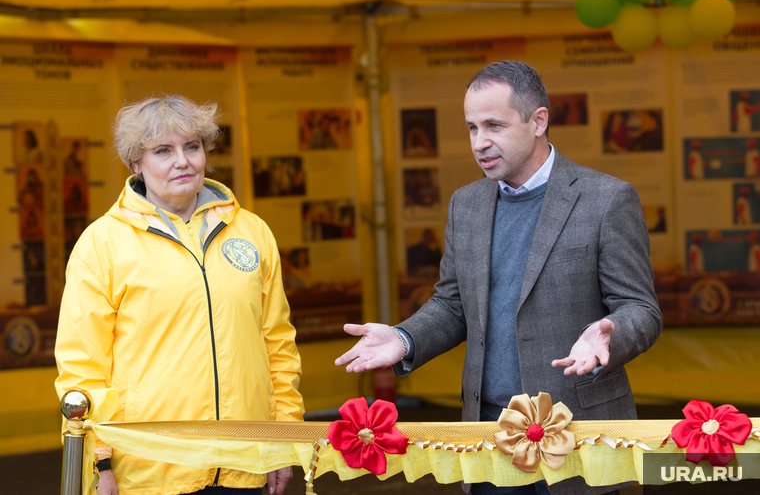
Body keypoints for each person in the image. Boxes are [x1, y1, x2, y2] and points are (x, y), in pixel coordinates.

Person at [336, 61, 662, 495]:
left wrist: (610, 336)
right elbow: (453, 304)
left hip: (581, 434)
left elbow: (641, 309)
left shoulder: (607, 199)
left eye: (493, 125)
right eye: (471, 128)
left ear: (538, 121)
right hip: (489, 434)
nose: (479, 142)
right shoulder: (464, 205)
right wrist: (406, 338)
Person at [55, 95, 304, 495]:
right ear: (136, 162)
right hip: (150, 471)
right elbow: (82, 364)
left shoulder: (253, 231)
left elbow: (277, 343)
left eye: (192, 147)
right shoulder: (101, 244)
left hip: (244, 462)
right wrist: (98, 459)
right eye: (162, 151)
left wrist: (283, 437)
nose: (182, 161)